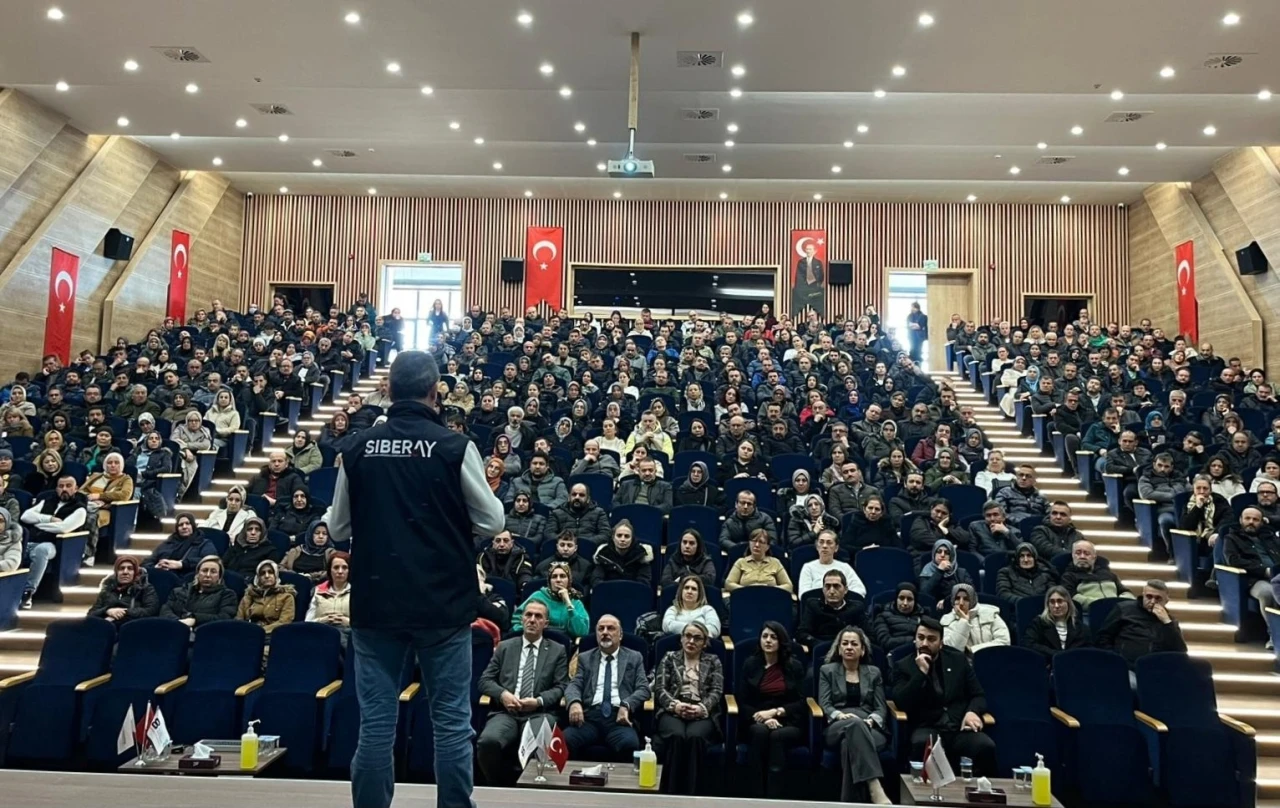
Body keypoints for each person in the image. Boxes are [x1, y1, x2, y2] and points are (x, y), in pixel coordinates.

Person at [327, 351, 505, 808]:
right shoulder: (453, 447)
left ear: (388, 389)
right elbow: (493, 520)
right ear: (434, 391)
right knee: (451, 724)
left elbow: (338, 528)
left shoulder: (357, 448)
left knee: (375, 726)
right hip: (442, 604)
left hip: (377, 604)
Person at [476, 600, 570, 785]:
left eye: (538, 616)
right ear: (522, 619)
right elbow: (485, 681)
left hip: (539, 713)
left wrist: (539, 701)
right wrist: (503, 695)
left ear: (546, 623)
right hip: (506, 712)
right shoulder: (505, 647)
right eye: (528, 615)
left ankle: (531, 789)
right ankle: (499, 786)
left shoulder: (557, 650)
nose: (532, 620)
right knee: (488, 742)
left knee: (537, 742)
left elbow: (562, 686)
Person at [893, 616, 997, 776]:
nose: (924, 643)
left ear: (941, 643)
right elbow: (901, 702)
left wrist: (972, 712)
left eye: (931, 639)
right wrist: (921, 673)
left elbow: (978, 695)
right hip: (928, 727)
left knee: (985, 745)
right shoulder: (904, 665)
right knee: (922, 743)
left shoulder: (958, 660)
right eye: (920, 638)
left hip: (959, 728)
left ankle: (982, 790)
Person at [818, 627, 892, 804]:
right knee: (855, 724)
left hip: (869, 727)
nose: (849, 647)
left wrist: (872, 720)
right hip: (838, 726)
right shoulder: (827, 671)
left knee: (848, 746)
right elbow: (825, 704)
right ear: (839, 649)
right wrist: (838, 715)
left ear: (863, 650)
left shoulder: (874, 673)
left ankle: (849, 803)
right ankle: (875, 787)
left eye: (854, 644)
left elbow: (881, 708)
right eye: (845, 643)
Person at [563, 614, 651, 761]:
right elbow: (574, 684)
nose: (605, 632)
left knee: (630, 744)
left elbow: (644, 689)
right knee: (565, 740)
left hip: (619, 719)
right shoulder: (585, 658)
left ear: (620, 635)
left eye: (610, 628)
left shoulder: (634, 657)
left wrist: (626, 705)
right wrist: (574, 702)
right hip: (589, 718)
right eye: (601, 629)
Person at [652, 619, 724, 794]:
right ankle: (670, 792)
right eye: (688, 636)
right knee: (677, 735)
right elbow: (660, 688)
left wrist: (702, 707)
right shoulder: (669, 658)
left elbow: (717, 690)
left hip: (702, 712)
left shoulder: (713, 661)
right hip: (672, 710)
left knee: (694, 737)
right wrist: (674, 705)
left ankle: (692, 793)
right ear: (681, 638)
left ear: (705, 643)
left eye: (697, 638)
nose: (691, 641)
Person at [737, 621, 807, 798]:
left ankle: (775, 796)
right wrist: (764, 718)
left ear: (781, 641)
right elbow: (742, 701)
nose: (768, 640)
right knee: (760, 732)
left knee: (778, 735)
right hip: (757, 718)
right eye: (765, 636)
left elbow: (801, 702)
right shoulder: (750, 664)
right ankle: (756, 795)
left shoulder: (794, 666)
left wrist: (777, 712)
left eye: (773, 637)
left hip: (788, 720)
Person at [19, 474, 88, 608]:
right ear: (56, 489)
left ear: (76, 489)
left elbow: (64, 528)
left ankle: (28, 592)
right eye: (61, 486)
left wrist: (37, 523)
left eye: (68, 486)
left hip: (53, 544)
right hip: (29, 541)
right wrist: (49, 519)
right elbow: (25, 516)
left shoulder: (80, 509)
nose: (64, 489)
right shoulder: (47, 501)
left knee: (42, 550)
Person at [1094, 580, 1187, 670]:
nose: (1153, 601)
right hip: (1125, 666)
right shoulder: (1124, 609)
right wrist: (1115, 659)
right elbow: (1103, 637)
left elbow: (1180, 651)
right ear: (1143, 595)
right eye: (1149, 596)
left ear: (1166, 601)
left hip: (1156, 668)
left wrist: (1167, 622)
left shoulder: (1169, 622)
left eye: (1158, 598)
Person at [512, 561, 590, 638]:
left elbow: (581, 632)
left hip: (564, 642)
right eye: (554, 576)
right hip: (538, 639)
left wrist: (568, 603)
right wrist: (528, 634)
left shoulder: (575, 602)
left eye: (562, 576)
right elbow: (517, 621)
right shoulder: (538, 596)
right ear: (549, 581)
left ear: (569, 580)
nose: (558, 580)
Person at [160, 555, 239, 627]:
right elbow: (166, 609)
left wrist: (195, 619)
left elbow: (224, 617)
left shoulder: (227, 595)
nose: (208, 575)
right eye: (204, 570)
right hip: (176, 629)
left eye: (213, 572)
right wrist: (179, 623)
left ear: (219, 576)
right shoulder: (179, 591)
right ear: (197, 573)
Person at [797, 569, 867, 648]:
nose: (832, 591)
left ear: (845, 590)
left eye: (836, 586)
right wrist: (821, 646)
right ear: (823, 589)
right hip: (821, 648)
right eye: (827, 586)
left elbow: (869, 635)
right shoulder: (813, 605)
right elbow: (802, 633)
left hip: (849, 648)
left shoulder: (856, 608)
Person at [1022, 585, 1091, 662]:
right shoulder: (1039, 623)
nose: (1056, 606)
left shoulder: (1080, 627)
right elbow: (1028, 644)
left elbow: (1088, 649)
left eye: (1060, 601)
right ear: (1048, 605)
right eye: (1052, 602)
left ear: (1068, 603)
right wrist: (1057, 654)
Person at [1059, 539, 1134, 609]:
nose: (1082, 556)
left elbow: (1126, 592)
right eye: (1078, 553)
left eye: (1087, 553)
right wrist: (1101, 604)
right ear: (1072, 556)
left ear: (1094, 557)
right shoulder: (1068, 576)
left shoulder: (1109, 574)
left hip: (1117, 611)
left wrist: (1121, 603)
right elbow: (1070, 597)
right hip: (1092, 613)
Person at [940, 583, 1010, 655]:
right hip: (962, 661)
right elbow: (952, 651)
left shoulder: (991, 614)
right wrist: (963, 621)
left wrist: (973, 650)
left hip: (991, 658)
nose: (961, 603)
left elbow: (1004, 642)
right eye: (957, 598)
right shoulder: (946, 620)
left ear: (972, 600)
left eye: (966, 599)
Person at [87, 555, 159, 625]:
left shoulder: (145, 588)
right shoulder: (108, 588)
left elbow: (151, 610)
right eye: (121, 568)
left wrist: (124, 612)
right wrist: (107, 610)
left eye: (130, 569)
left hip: (132, 626)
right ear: (116, 572)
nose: (125, 572)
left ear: (135, 572)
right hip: (107, 625)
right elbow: (92, 613)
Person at [236, 559, 296, 635]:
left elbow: (284, 622)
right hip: (247, 634)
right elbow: (239, 620)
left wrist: (259, 631)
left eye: (270, 572)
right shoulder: (249, 596)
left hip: (272, 635)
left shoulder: (286, 597)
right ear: (258, 578)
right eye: (262, 573)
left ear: (276, 575)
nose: (267, 576)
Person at [590, 519, 653, 588]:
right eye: (619, 535)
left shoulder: (641, 555)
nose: (622, 539)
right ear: (613, 537)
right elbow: (596, 581)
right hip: (608, 592)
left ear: (632, 539)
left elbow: (643, 583)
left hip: (633, 593)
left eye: (627, 536)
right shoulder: (603, 554)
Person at [543, 483, 611, 547]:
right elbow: (549, 533)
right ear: (569, 497)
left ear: (588, 499)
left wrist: (586, 543)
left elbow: (605, 534)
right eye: (574, 494)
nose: (577, 497)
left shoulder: (599, 512)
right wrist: (566, 543)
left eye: (581, 495)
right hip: (564, 549)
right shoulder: (556, 513)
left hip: (589, 548)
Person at [725, 529, 793, 592]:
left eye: (761, 542)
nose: (757, 545)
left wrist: (770, 590)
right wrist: (747, 590)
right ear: (749, 543)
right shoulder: (741, 562)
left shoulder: (775, 562)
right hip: (746, 597)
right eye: (754, 541)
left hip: (770, 598)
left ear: (767, 547)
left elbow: (789, 586)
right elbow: (728, 584)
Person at [663, 574, 722, 638]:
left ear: (699, 593)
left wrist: (686, 629)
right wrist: (696, 630)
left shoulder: (708, 609)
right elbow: (667, 626)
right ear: (681, 591)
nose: (689, 591)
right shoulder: (673, 609)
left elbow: (714, 629)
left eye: (694, 589)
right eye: (686, 588)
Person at [306, 551, 352, 633]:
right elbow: (308, 622)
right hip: (320, 633)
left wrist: (348, 622)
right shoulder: (317, 590)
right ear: (330, 570)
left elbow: (364, 625)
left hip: (348, 635)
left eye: (344, 568)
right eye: (336, 567)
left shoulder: (357, 592)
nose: (340, 571)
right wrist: (324, 620)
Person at [873, 582, 925, 652]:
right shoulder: (882, 616)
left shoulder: (923, 617)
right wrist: (914, 641)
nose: (905, 603)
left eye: (909, 599)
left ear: (915, 601)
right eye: (901, 598)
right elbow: (885, 642)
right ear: (896, 599)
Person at [792, 239, 825, 317]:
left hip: (814, 287)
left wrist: (817, 284)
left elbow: (821, 275)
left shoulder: (818, 262)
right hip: (803, 287)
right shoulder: (801, 262)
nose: (808, 251)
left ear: (814, 251)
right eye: (807, 249)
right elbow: (798, 276)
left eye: (810, 249)